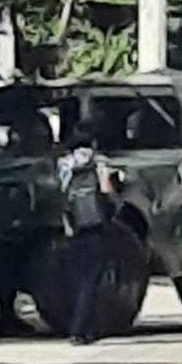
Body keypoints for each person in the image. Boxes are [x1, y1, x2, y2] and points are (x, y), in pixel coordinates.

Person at [57, 120, 113, 345]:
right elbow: (106, 190)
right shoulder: (98, 162)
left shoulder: (64, 163)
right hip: (94, 225)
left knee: (78, 280)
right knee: (91, 281)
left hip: (73, 226)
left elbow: (60, 193)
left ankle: (79, 327)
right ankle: (81, 330)